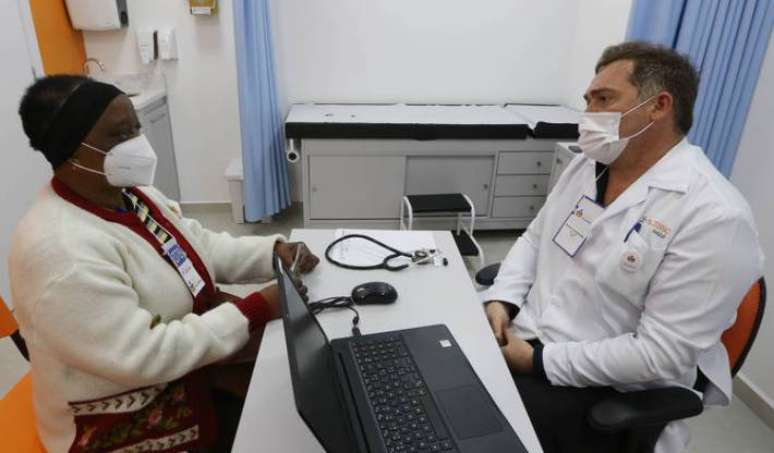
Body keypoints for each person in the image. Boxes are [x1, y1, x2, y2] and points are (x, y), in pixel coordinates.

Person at [9, 75, 319, 452]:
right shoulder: (59, 251)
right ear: (72, 152)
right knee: (286, 425)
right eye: (119, 135)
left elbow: (200, 246)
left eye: (135, 128)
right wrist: (254, 309)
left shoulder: (133, 196)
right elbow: (144, 355)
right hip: (123, 409)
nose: (138, 144)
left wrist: (272, 253)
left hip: (184, 363)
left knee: (301, 378)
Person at [481, 42, 764, 453]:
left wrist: (538, 361)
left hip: (603, 392)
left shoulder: (714, 216)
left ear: (658, 106)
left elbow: (658, 354)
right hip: (526, 338)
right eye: (588, 100)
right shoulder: (586, 168)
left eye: (604, 99)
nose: (589, 114)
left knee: (464, 425)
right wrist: (502, 300)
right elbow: (536, 240)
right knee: (431, 373)